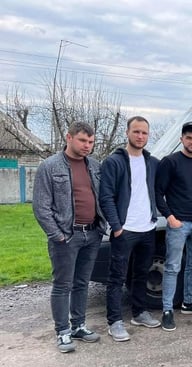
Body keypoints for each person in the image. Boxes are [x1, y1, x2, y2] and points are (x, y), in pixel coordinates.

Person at [32, 122, 107, 353]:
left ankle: (78, 325)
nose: (87, 146)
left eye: (91, 142)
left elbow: (102, 196)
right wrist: (57, 235)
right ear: (69, 137)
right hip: (66, 236)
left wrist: (101, 226)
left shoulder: (94, 165)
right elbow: (41, 206)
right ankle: (62, 331)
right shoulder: (50, 166)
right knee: (63, 285)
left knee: (82, 283)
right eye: (83, 140)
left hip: (92, 233)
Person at [99, 116, 161, 341]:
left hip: (147, 228)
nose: (140, 136)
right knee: (117, 277)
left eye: (144, 133)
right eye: (136, 132)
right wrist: (116, 227)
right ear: (127, 133)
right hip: (125, 230)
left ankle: (139, 312)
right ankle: (114, 321)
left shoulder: (152, 162)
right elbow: (105, 197)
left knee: (141, 273)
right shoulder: (113, 162)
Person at [155, 121, 192, 331]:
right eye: (189, 138)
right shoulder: (170, 162)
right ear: (181, 139)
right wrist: (169, 216)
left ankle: (188, 301)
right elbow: (158, 192)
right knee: (172, 266)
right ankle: (167, 309)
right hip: (178, 224)